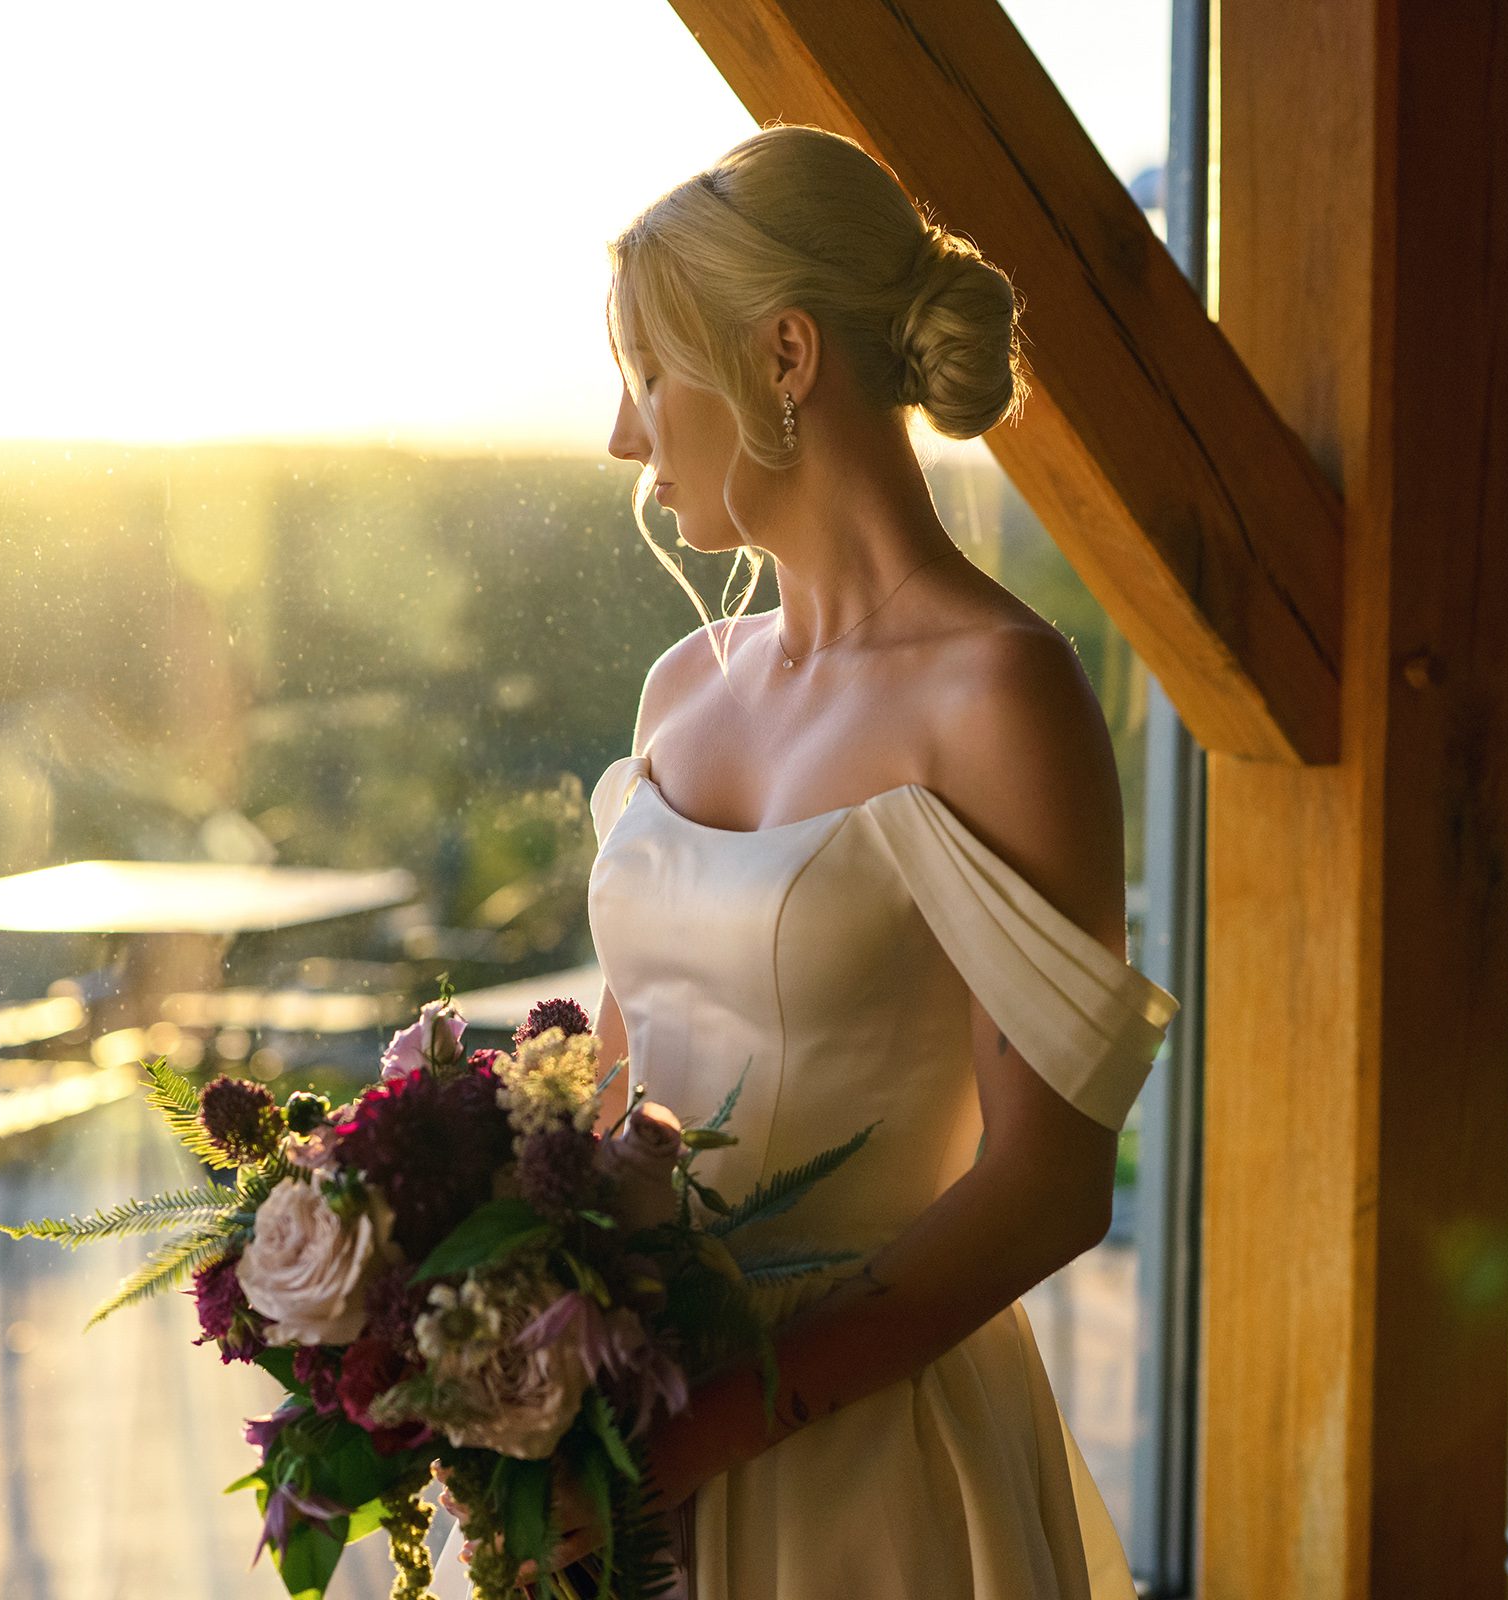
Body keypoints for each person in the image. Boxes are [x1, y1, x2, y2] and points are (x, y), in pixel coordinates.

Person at [440, 121, 1178, 1600]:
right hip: (621, 1439)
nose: (623, 435)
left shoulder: (998, 696)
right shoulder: (681, 689)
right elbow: (629, 1075)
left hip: (859, 1467)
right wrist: (468, 1310)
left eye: (651, 373)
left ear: (785, 360)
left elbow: (1046, 1189)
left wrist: (695, 1445)